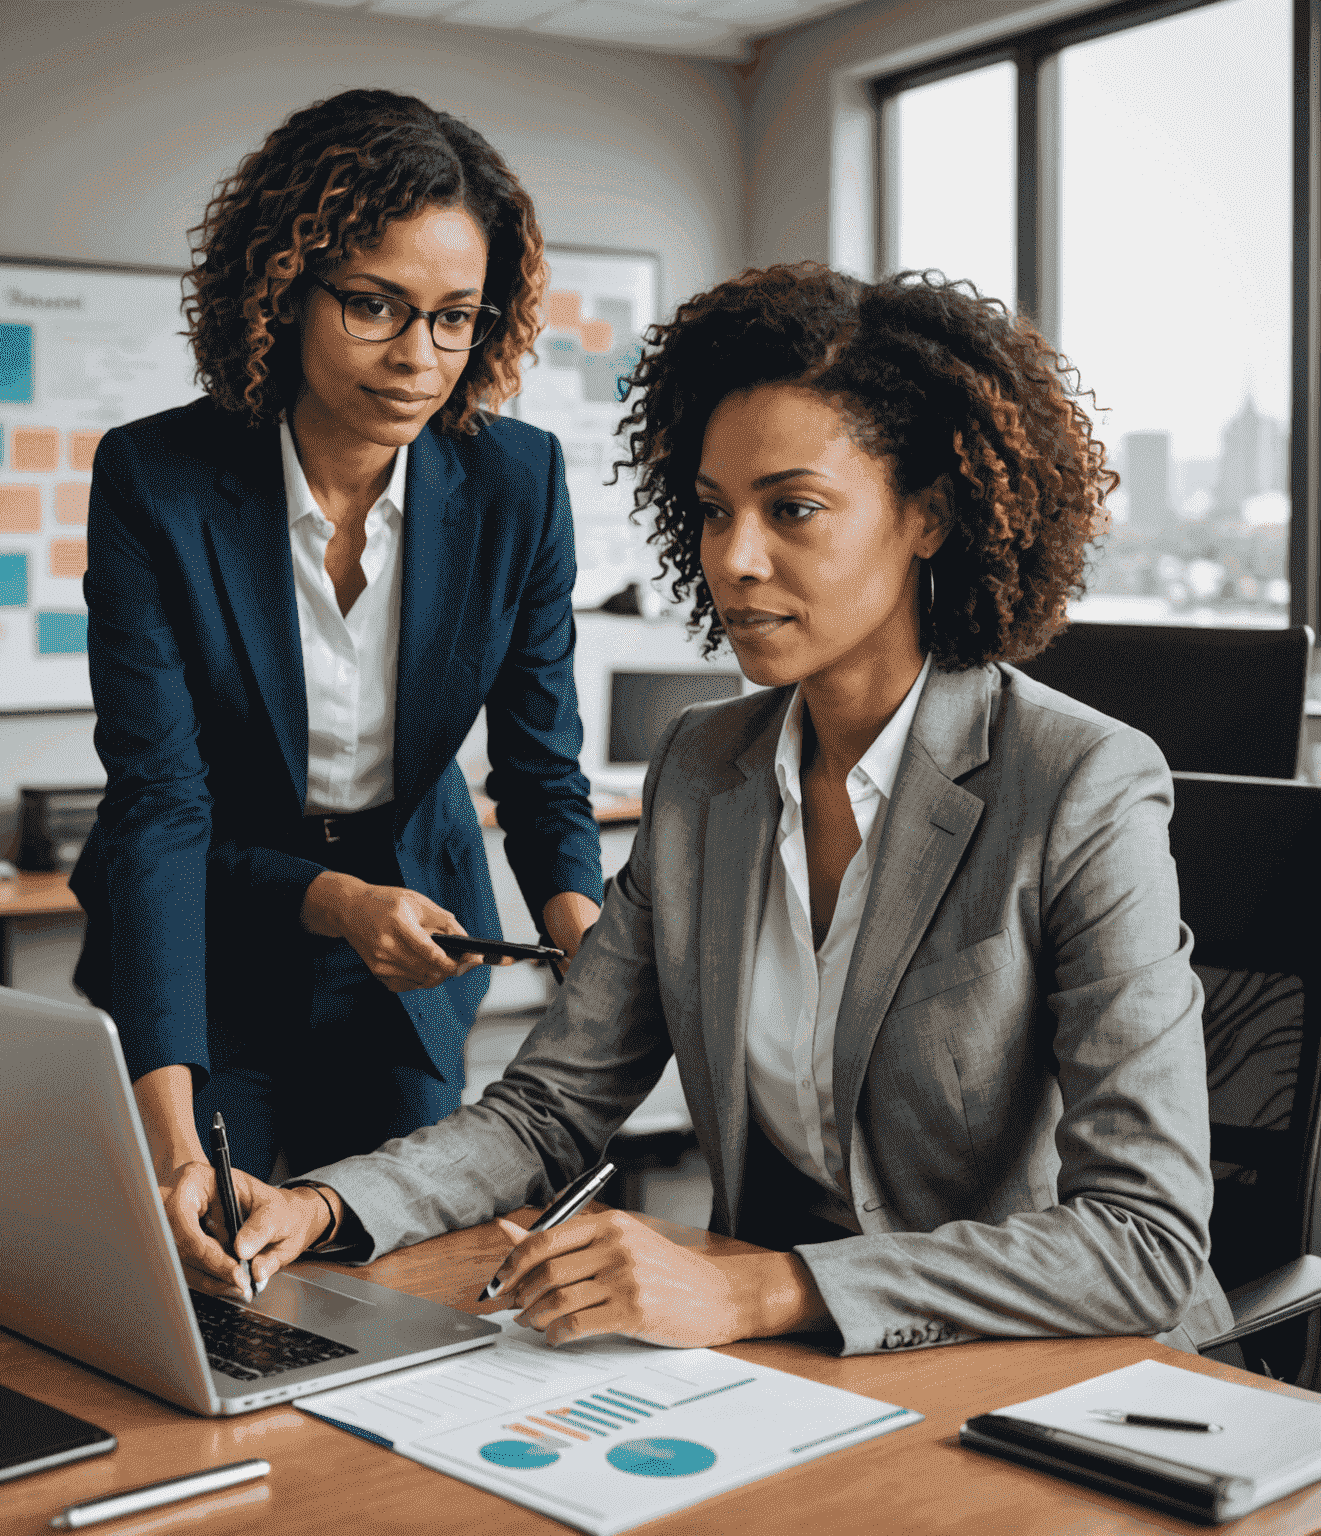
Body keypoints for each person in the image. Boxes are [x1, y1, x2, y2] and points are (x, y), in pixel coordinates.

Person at [170, 262, 1235, 1357]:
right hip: (791, 1376)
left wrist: (770, 1291)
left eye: (795, 510)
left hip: (1056, 1379)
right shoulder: (704, 767)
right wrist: (323, 1207)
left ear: (930, 515)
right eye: (715, 512)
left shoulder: (1082, 784)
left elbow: (1142, 1240)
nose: (734, 558)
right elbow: (551, 1109)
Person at [69, 90, 604, 1295]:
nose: (418, 358)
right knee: (208, 1269)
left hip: (415, 949)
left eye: (455, 318)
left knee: (402, 1279)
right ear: (283, 289)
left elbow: (540, 765)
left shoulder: (518, 482)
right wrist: (170, 1151)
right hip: (211, 940)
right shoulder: (158, 479)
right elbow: (161, 808)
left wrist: (590, 944)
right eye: (374, 305)